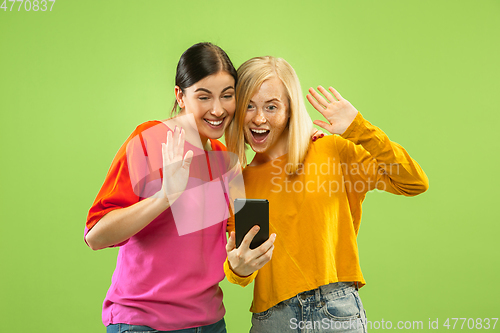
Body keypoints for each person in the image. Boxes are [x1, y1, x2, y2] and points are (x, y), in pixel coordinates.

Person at [223, 56, 429, 332]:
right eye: (249, 105)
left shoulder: (332, 151)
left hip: (336, 311)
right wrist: (238, 269)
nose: (259, 118)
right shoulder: (239, 181)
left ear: (290, 111)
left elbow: (413, 182)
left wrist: (359, 128)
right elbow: (242, 270)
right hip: (273, 319)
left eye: (272, 106)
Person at [84, 43, 276, 333]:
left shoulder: (229, 162)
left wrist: (243, 266)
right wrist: (165, 197)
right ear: (180, 96)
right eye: (203, 96)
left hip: (210, 324)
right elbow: (96, 236)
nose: (217, 109)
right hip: (143, 324)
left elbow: (238, 249)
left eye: (227, 96)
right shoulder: (148, 140)